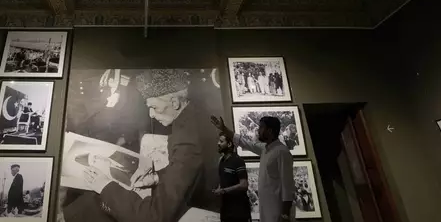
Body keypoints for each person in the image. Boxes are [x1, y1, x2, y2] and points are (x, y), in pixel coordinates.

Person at [82, 69, 219, 222]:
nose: (151, 114)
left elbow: (154, 216)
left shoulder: (187, 140)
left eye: (154, 107)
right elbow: (189, 168)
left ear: (174, 102)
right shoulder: (193, 117)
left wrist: (105, 187)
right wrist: (157, 177)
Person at [212, 115, 295, 222]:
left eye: (261, 128)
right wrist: (224, 129)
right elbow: (244, 142)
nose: (258, 131)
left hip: (278, 210)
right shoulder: (265, 148)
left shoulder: (282, 152)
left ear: (269, 131)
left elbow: (288, 185)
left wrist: (285, 214)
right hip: (267, 208)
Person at [214, 132, 251, 222]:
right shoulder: (221, 161)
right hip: (226, 209)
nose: (218, 143)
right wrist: (219, 189)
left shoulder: (238, 161)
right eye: (218, 141)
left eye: (221, 141)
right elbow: (224, 180)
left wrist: (223, 190)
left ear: (229, 144)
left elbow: (244, 185)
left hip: (239, 211)